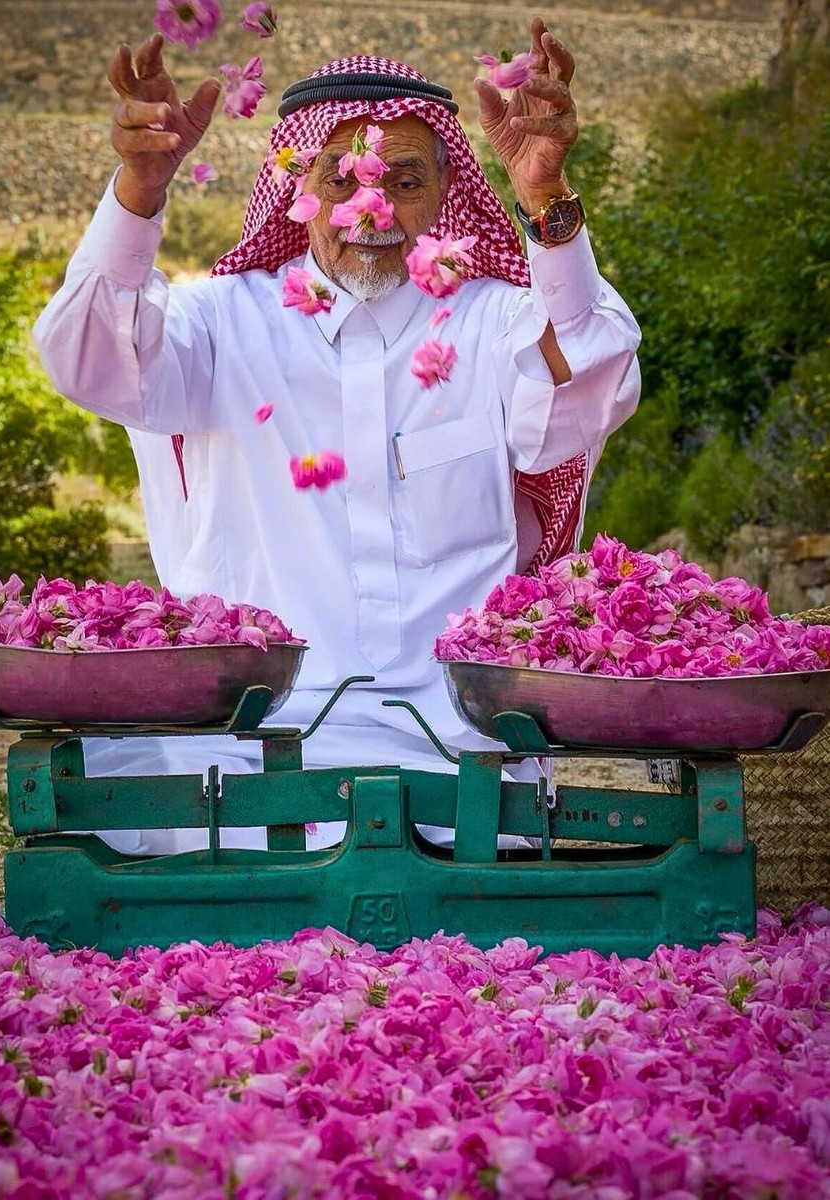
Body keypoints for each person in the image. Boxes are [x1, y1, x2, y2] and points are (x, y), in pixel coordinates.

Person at [33, 15, 641, 855]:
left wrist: (544, 200)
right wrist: (139, 191)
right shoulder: (219, 322)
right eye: (344, 176)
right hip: (242, 747)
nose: (374, 208)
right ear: (297, 185)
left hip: (454, 750)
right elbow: (88, 361)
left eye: (405, 180)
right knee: (109, 793)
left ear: (445, 194)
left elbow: (591, 388)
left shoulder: (493, 320)